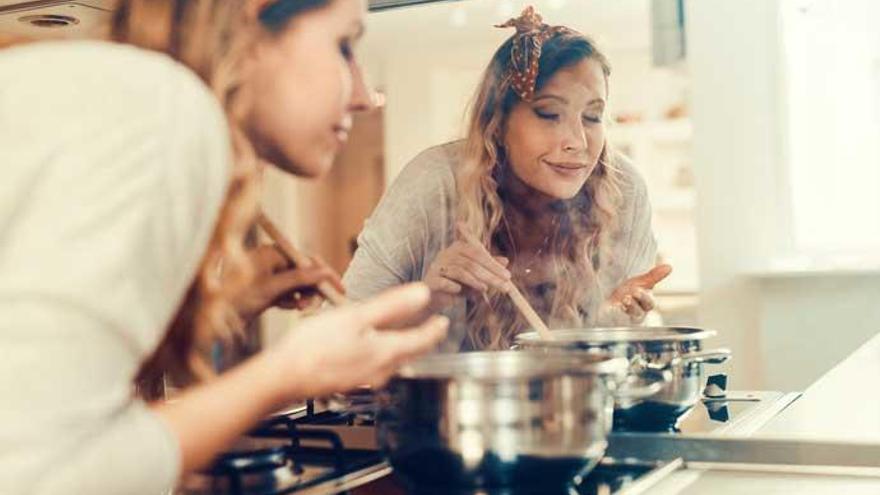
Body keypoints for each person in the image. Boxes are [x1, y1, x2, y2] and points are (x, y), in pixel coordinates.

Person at [0, 1, 447, 493]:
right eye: (344, 45)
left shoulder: (122, 95)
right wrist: (288, 372)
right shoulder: (164, 111)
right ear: (251, 17)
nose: (363, 94)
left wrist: (219, 310)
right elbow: (42, 473)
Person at [343, 6, 671, 351]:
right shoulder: (434, 183)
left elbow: (600, 363)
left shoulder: (624, 189)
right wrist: (428, 299)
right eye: (549, 114)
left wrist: (612, 322)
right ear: (497, 122)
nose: (578, 141)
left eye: (592, 116)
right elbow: (341, 333)